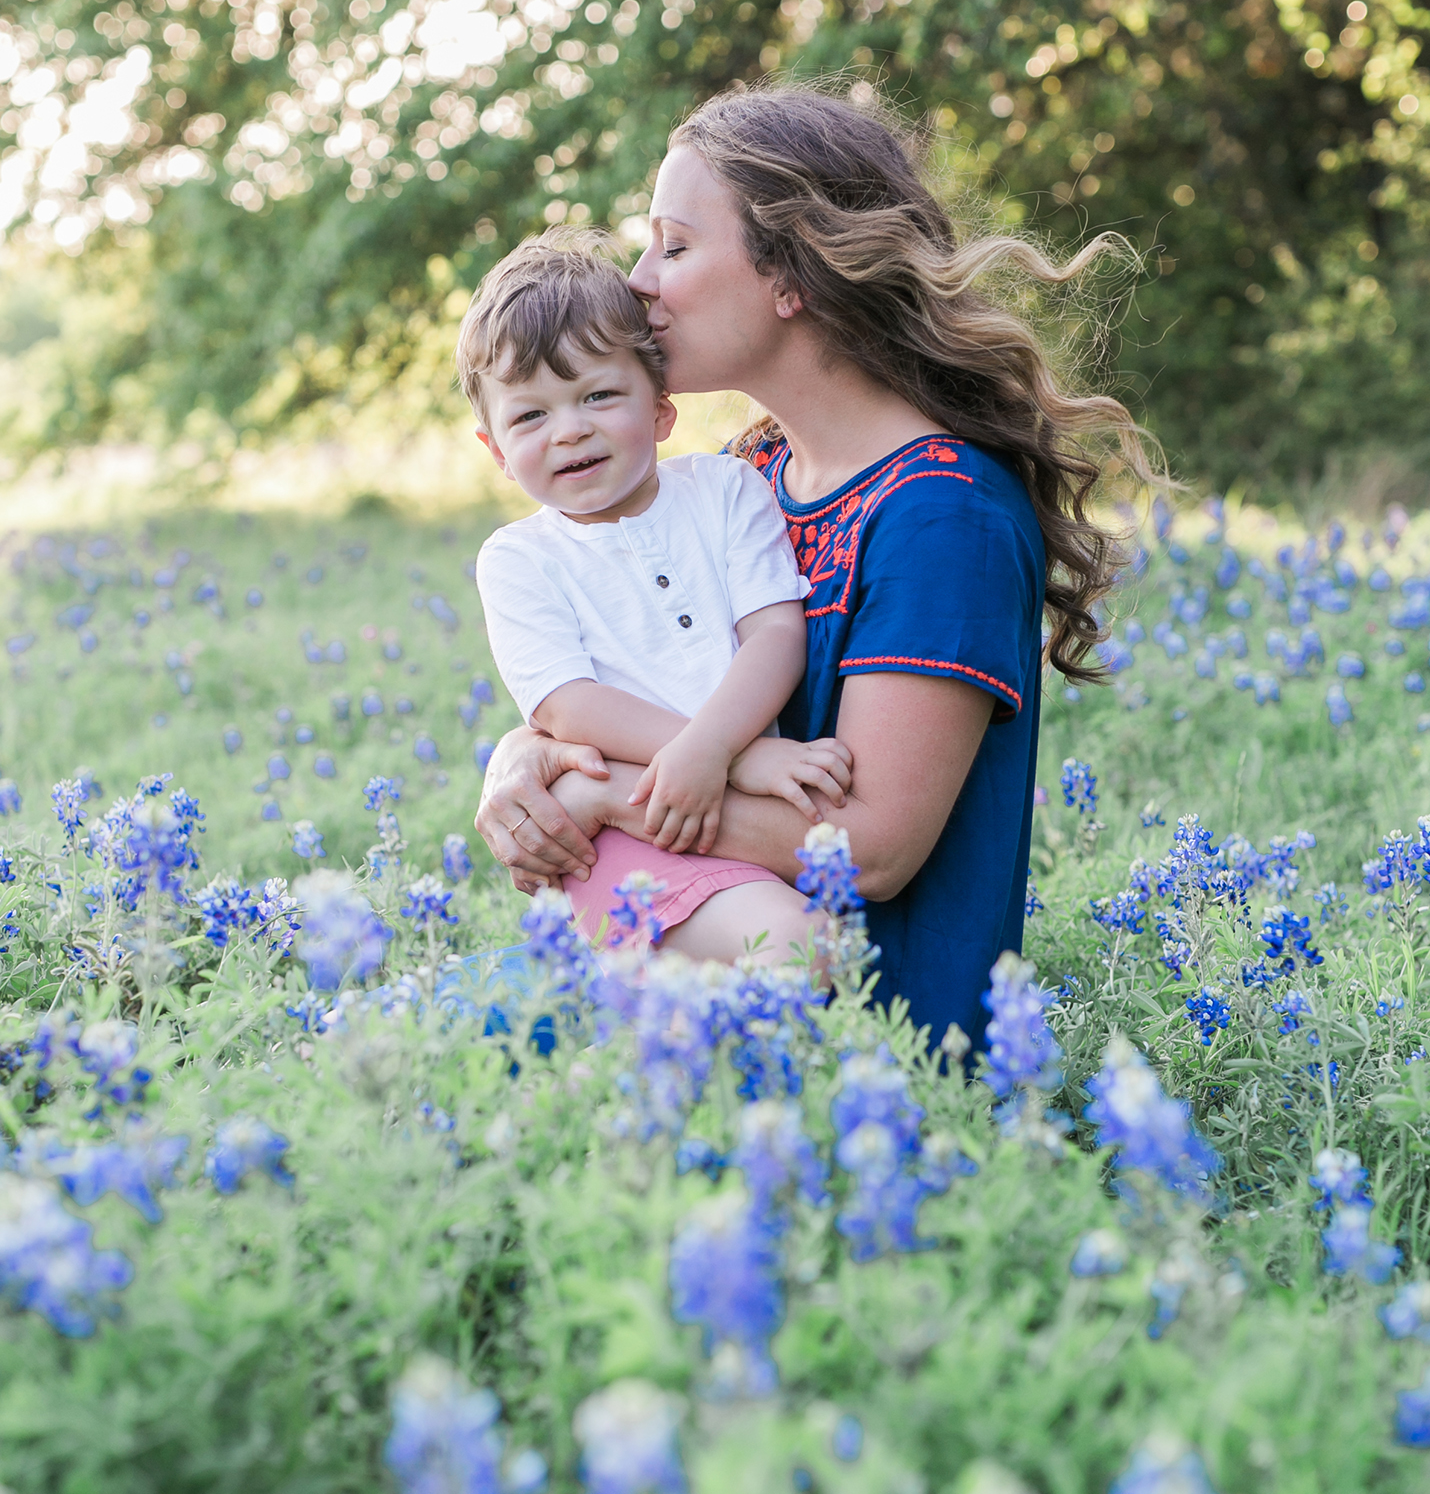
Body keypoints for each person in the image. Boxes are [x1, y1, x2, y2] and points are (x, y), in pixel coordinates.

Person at [476, 83, 1151, 1051]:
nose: (637, 283)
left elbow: (869, 850)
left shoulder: (939, 514)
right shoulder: (753, 479)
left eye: (673, 245)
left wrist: (592, 799)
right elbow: (650, 681)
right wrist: (526, 756)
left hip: (875, 1057)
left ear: (790, 278)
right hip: (690, 1012)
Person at [462, 228, 854, 965]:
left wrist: (718, 755)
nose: (570, 429)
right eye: (530, 415)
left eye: (600, 395)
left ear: (661, 409)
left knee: (748, 985)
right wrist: (733, 759)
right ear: (496, 452)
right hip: (618, 848)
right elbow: (565, 706)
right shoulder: (519, 559)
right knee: (805, 951)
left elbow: (775, 634)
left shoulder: (726, 489)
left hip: (739, 826)